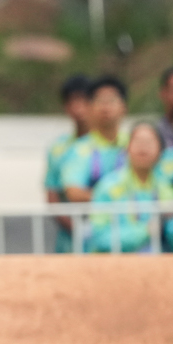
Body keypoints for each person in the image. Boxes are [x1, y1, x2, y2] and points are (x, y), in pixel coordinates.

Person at [57, 74, 131, 251]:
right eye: (100, 101)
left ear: (124, 107)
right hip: (94, 241)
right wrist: (115, 198)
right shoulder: (79, 150)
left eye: (111, 101)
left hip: (135, 239)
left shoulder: (136, 145)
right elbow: (73, 192)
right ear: (90, 108)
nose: (106, 107)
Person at [84, 121, 173, 253]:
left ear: (161, 150)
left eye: (149, 142)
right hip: (112, 266)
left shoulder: (165, 189)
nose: (143, 147)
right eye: (138, 141)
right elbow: (99, 237)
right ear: (127, 147)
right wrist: (145, 231)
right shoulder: (108, 187)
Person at [44, 74, 93, 252]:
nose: (78, 108)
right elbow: (52, 194)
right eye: (72, 101)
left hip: (106, 232)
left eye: (83, 100)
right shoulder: (58, 148)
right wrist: (75, 228)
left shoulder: (109, 144)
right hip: (69, 238)